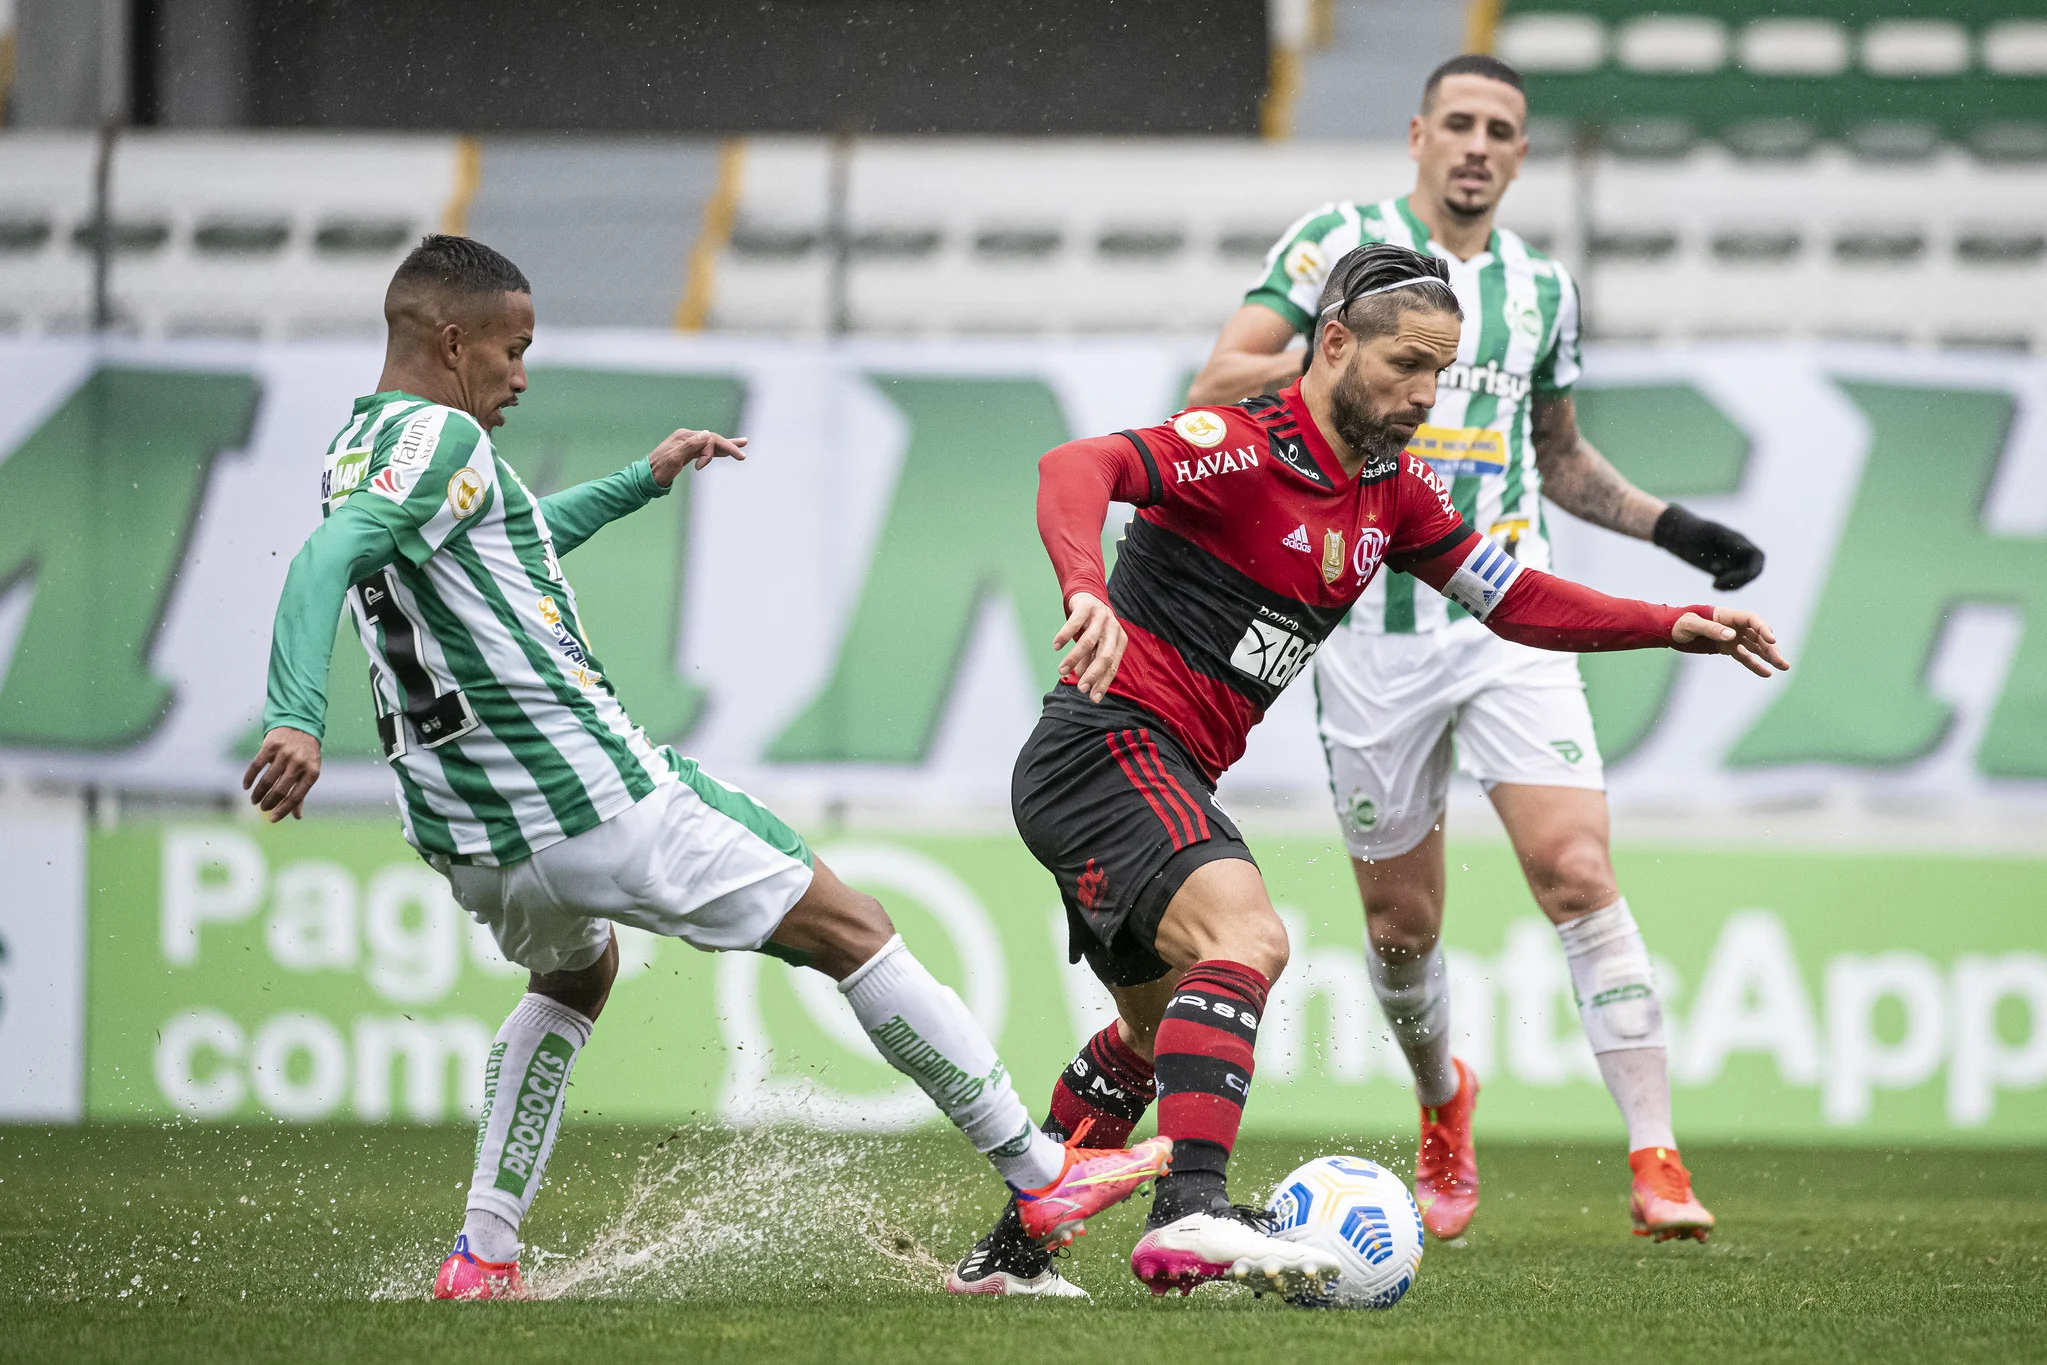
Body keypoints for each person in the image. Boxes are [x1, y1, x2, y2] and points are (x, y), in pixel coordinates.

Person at [242, 234, 1168, 1301]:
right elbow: (325, 561)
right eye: (512, 350)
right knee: (854, 931)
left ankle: (482, 1258)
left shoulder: (358, 447)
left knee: (574, 975)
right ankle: (1038, 1172)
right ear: (453, 342)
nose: (522, 376)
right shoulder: (444, 437)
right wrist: (295, 716)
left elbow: (509, 547)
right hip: (581, 785)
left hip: (469, 829)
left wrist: (642, 481)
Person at [946, 240, 1787, 1299]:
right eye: (1406, 367)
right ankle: (1193, 1211)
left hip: (1139, 768)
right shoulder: (1239, 447)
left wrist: (1670, 622)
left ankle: (1010, 1259)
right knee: (1246, 938)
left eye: (1441, 373)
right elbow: (1075, 467)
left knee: (1155, 1037)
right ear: (1334, 343)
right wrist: (1085, 589)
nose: (1426, 395)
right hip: (1105, 745)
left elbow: (1514, 597)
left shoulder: (1391, 496)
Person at [1183, 53, 1765, 1245]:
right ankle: (1442, 1097)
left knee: (1576, 872)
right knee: (1403, 928)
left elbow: (1553, 457)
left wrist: (1674, 530)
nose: (1477, 145)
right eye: (1458, 122)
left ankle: (1656, 1159)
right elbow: (1219, 378)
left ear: (1519, 153)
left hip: (1505, 621)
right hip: (1366, 635)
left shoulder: (1541, 288)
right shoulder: (1334, 243)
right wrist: (1344, 359)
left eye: (1501, 128)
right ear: (1416, 135)